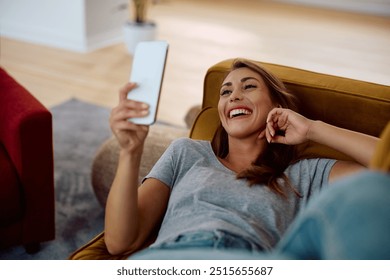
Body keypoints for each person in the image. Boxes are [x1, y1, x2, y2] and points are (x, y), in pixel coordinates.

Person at [105, 59, 389, 260]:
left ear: (277, 106)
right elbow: (119, 242)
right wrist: (130, 152)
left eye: (248, 87)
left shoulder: (307, 174)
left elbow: (380, 183)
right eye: (225, 92)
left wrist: (312, 129)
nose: (234, 96)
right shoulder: (186, 152)